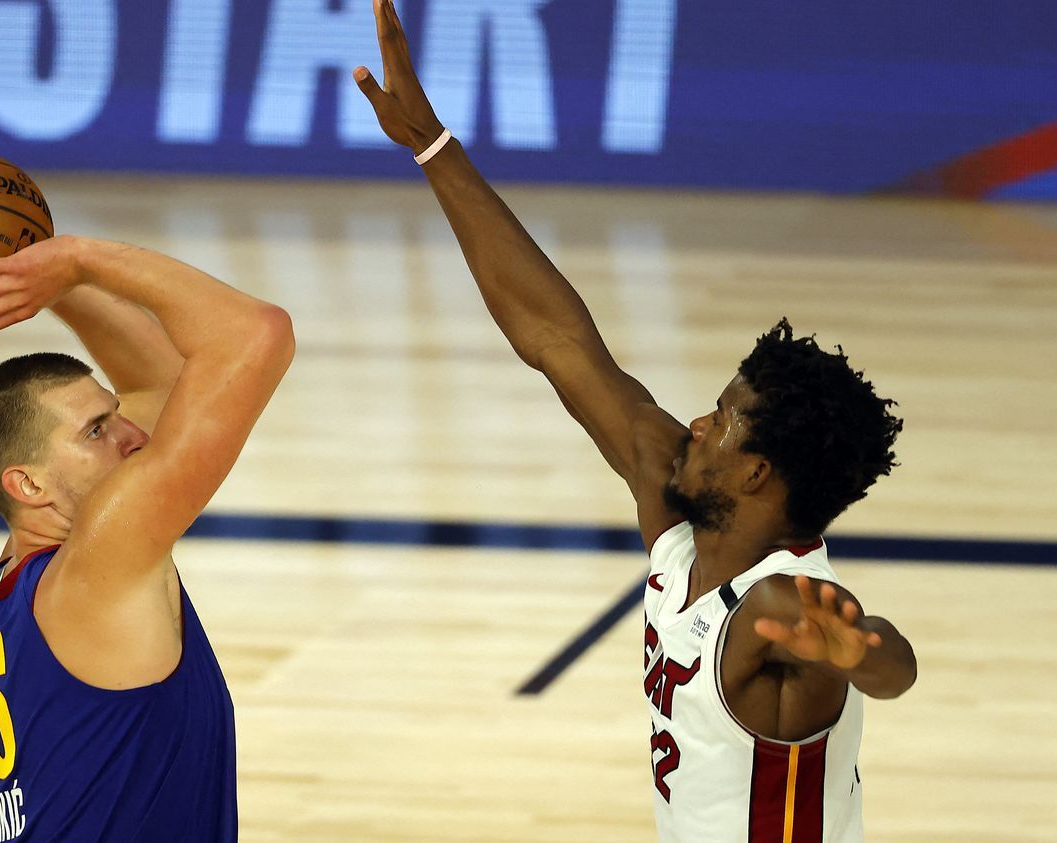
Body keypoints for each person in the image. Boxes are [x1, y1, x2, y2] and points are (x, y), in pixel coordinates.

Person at [352, 2, 917, 839]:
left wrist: (860, 652)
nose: (696, 422)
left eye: (723, 421)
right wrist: (433, 147)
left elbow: (890, 662)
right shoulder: (680, 513)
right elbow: (555, 337)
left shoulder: (783, 603)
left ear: (757, 472)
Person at [0, 236, 294, 841]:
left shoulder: (9, 582)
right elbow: (257, 332)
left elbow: (162, 385)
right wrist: (79, 260)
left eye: (113, 412)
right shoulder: (102, 564)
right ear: (27, 484)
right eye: (97, 430)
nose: (132, 435)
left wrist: (53, 285)